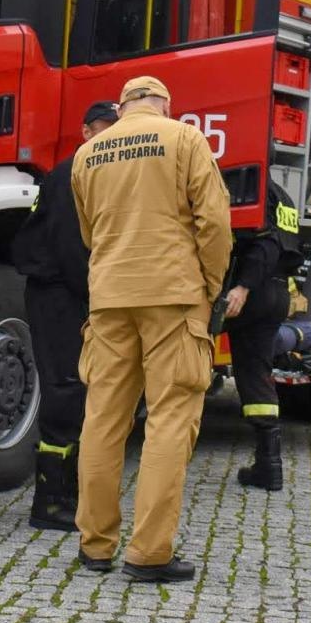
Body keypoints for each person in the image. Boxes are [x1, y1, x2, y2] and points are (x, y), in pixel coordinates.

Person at [72, 76, 232, 583]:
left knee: (102, 420)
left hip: (109, 297)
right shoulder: (184, 138)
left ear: (122, 108)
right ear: (166, 104)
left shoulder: (88, 153)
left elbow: (90, 231)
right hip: (173, 296)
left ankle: (95, 545)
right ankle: (149, 553)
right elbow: (214, 223)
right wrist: (209, 287)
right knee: (169, 419)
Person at [11, 100, 119, 530]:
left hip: (71, 290)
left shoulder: (95, 171)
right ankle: (49, 502)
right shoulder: (73, 173)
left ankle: (68, 493)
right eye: (103, 128)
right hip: (57, 293)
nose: (109, 136)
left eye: (115, 128)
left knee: (78, 390)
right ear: (86, 132)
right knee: (65, 389)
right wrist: (99, 299)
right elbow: (72, 249)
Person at [222, 178, 301, 491]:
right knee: (257, 373)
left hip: (251, 289)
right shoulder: (284, 196)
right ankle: (269, 465)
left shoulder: (252, 187)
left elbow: (265, 243)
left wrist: (243, 286)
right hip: (277, 290)